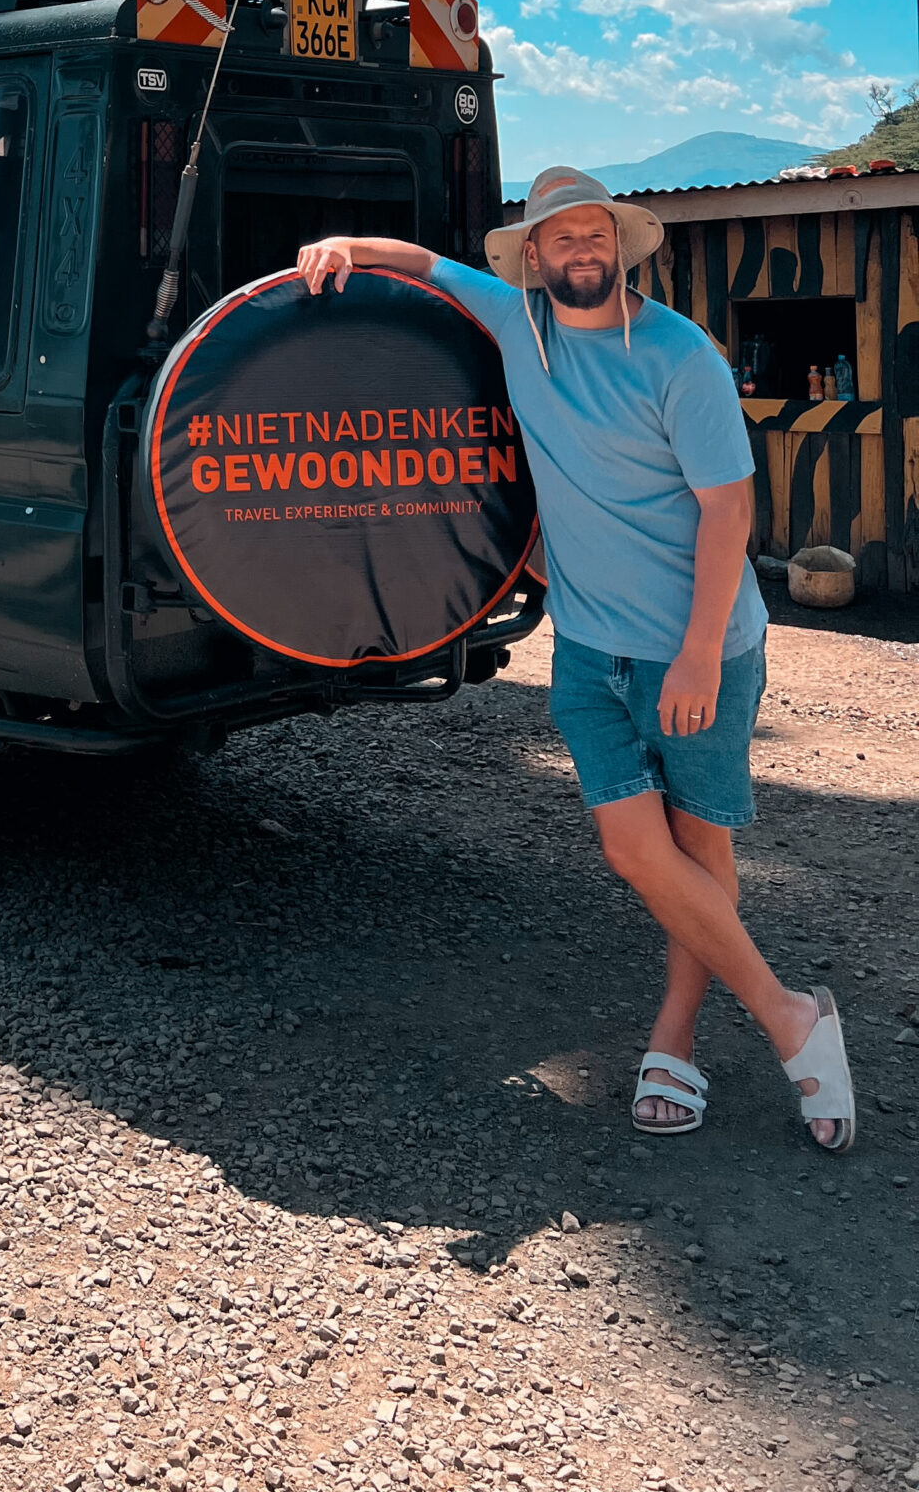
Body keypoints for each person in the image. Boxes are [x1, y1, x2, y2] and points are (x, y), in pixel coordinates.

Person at [298, 166, 854, 1152]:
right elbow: (423, 263)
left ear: (620, 246)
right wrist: (343, 248)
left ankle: (677, 1040)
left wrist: (696, 657)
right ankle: (790, 1015)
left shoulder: (681, 357)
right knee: (636, 851)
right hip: (590, 649)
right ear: (535, 256)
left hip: (698, 649)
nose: (582, 250)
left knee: (700, 852)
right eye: (562, 237)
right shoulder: (519, 324)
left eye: (596, 233)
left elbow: (729, 512)